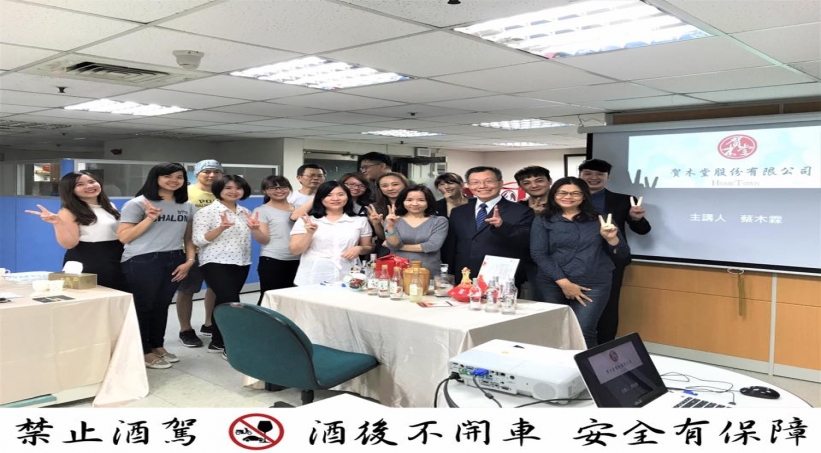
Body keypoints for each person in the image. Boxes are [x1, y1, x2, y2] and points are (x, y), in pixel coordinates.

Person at [530, 177, 631, 349]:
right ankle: (558, 365)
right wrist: (565, 283)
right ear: (554, 194)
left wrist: (611, 239)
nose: (568, 197)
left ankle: (588, 367)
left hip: (593, 283)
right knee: (554, 330)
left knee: (584, 331)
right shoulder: (543, 219)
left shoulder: (601, 219)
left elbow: (623, 254)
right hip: (553, 282)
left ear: (584, 196)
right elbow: (538, 254)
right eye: (562, 192)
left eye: (575, 193)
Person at [118, 163, 196, 370]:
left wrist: (189, 261)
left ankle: (157, 345)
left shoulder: (187, 205)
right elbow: (124, 237)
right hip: (142, 259)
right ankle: (143, 350)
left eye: (179, 177)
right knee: (143, 306)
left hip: (174, 258)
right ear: (156, 178)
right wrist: (150, 218)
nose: (174, 180)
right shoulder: (138, 203)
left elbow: (188, 238)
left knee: (162, 305)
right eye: (167, 176)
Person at [578, 159, 651, 345]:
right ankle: (576, 345)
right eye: (588, 173)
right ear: (580, 175)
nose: (593, 178)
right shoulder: (568, 198)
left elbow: (643, 230)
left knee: (608, 306)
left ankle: (604, 346)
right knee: (575, 304)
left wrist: (636, 219)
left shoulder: (624, 200)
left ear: (608, 177)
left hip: (610, 260)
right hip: (574, 260)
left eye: (600, 174)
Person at [25, 171, 128, 292]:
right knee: (98, 293)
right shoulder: (68, 211)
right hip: (89, 258)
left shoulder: (110, 206)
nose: (89, 186)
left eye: (91, 181)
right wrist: (57, 223)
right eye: (80, 184)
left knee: (122, 293)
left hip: (117, 254)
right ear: (70, 190)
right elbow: (69, 244)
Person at [193, 175, 256, 356]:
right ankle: (232, 345)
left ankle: (217, 341)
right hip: (215, 262)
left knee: (223, 301)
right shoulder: (207, 212)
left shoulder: (245, 212)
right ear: (219, 190)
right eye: (228, 188)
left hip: (241, 261)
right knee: (232, 302)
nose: (233, 191)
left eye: (238, 188)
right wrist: (220, 228)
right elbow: (198, 240)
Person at [444, 166, 534, 286]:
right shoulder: (458, 212)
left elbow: (526, 241)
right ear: (468, 186)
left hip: (500, 277)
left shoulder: (521, 211)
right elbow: (451, 246)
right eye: (475, 182)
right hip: (464, 275)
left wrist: (502, 226)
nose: (482, 186)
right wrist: (448, 274)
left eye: (488, 181)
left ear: (500, 183)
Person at [289, 181, 373, 286]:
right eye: (329, 195)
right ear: (320, 198)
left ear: (348, 197)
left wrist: (359, 249)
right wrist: (309, 233)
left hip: (348, 273)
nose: (335, 199)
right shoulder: (306, 220)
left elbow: (368, 247)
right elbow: (295, 250)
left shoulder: (360, 221)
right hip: (314, 273)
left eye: (340, 194)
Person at [176, 159, 221, 348]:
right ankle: (185, 329)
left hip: (217, 250)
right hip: (190, 250)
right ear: (197, 174)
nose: (211, 175)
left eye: (216, 172)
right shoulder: (186, 193)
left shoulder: (223, 193)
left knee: (215, 288)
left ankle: (209, 323)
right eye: (207, 171)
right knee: (187, 289)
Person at [253, 175, 299, 304]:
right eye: (273, 188)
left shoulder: (299, 208)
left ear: (289, 188)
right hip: (273, 260)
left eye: (283, 187)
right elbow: (264, 240)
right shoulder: (262, 211)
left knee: (293, 300)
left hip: (299, 259)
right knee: (270, 300)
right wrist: (255, 229)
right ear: (265, 191)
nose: (279, 191)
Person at [384, 185, 449, 275]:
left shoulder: (439, 221)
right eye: (409, 200)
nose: (415, 204)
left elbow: (432, 246)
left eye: (421, 200)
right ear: (402, 201)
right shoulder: (393, 219)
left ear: (429, 202)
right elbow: (394, 244)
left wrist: (399, 247)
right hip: (398, 270)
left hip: (428, 271)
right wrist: (391, 226)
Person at [514, 165, 553, 301]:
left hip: (560, 261)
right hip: (529, 263)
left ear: (550, 181)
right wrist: (532, 216)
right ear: (520, 186)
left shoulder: (564, 205)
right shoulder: (518, 208)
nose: (534, 185)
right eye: (527, 183)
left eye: (539, 180)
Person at [365, 172, 409, 246]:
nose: (390, 188)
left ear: (405, 185)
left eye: (395, 184)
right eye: (384, 186)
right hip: (387, 248)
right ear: (379, 188)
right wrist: (377, 224)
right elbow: (383, 237)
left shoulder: (414, 205)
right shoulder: (374, 208)